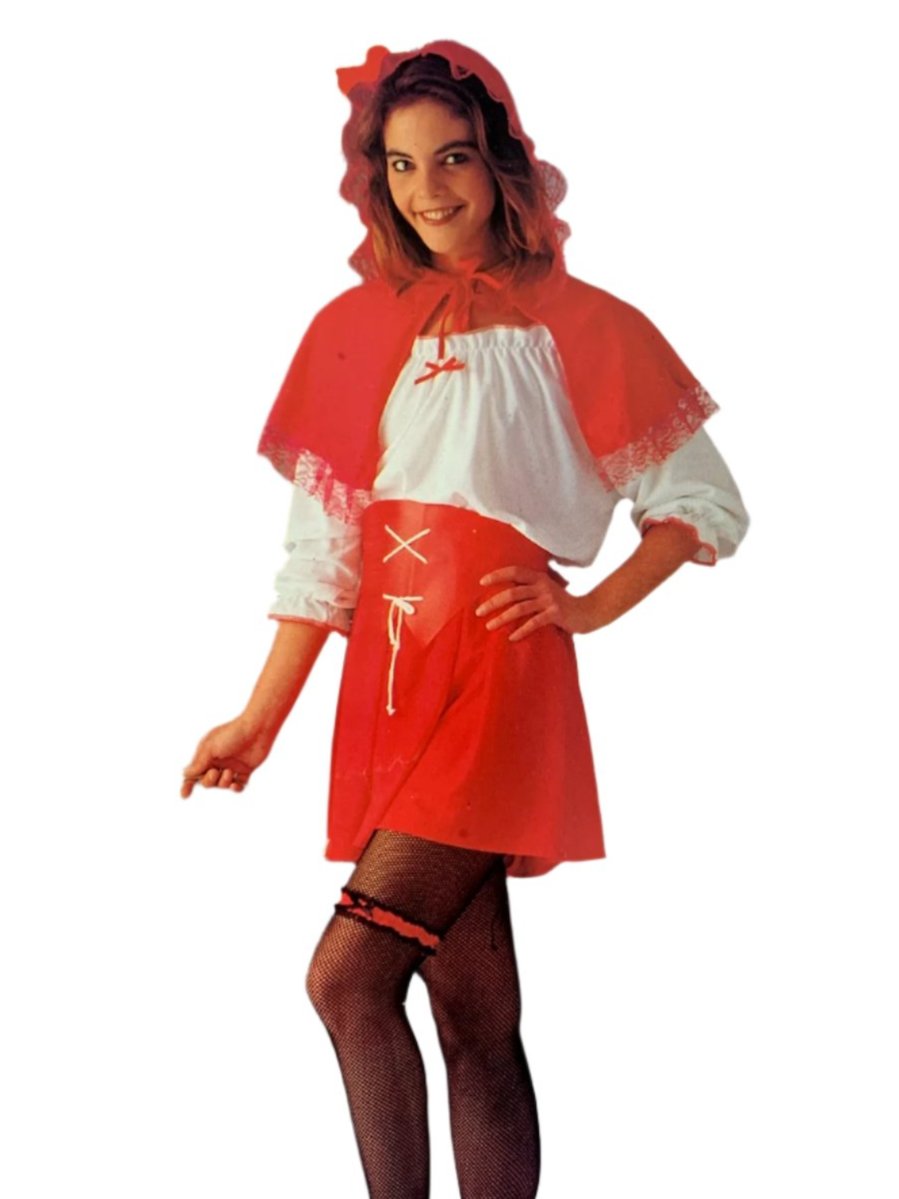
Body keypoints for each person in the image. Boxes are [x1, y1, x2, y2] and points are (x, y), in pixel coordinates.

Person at [182, 40, 748, 1199]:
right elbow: (320, 559)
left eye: (450, 158)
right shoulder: (350, 327)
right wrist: (257, 719)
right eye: (398, 165)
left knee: (346, 975)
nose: (427, 189)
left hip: (498, 672)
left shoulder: (584, 324)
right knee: (473, 1011)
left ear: (499, 162)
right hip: (386, 682)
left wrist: (584, 605)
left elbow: (699, 502)